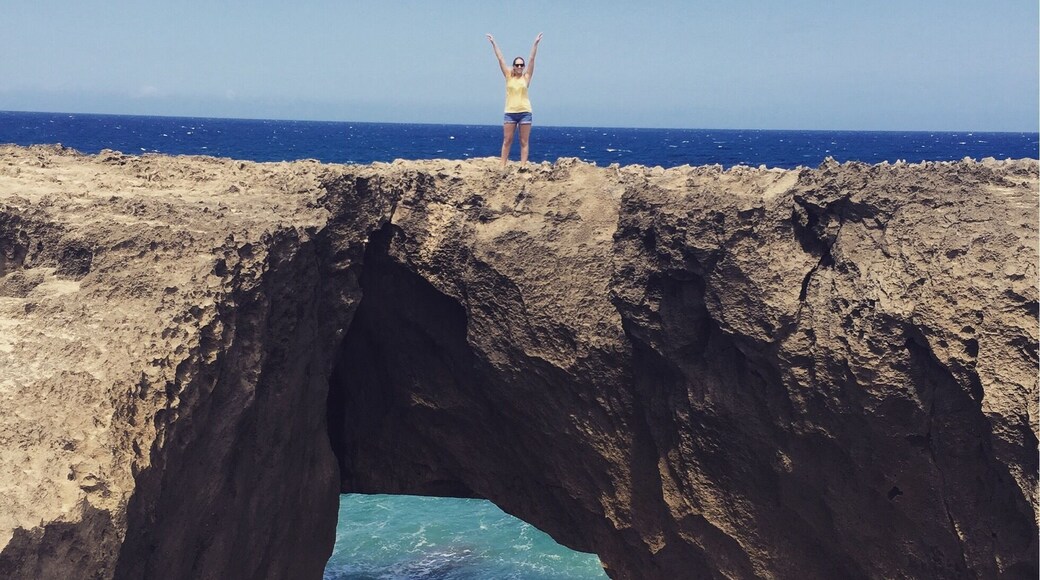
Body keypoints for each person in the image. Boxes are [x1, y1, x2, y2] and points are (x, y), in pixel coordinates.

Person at [486, 33, 542, 167]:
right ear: (513, 66)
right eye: (517, 65)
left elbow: (532, 59)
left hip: (525, 112)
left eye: (521, 65)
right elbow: (500, 59)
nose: (519, 67)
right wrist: (494, 43)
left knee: (524, 141)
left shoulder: (526, 77)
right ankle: (502, 165)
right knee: (507, 140)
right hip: (510, 112)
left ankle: (523, 166)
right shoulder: (508, 76)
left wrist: (535, 44)